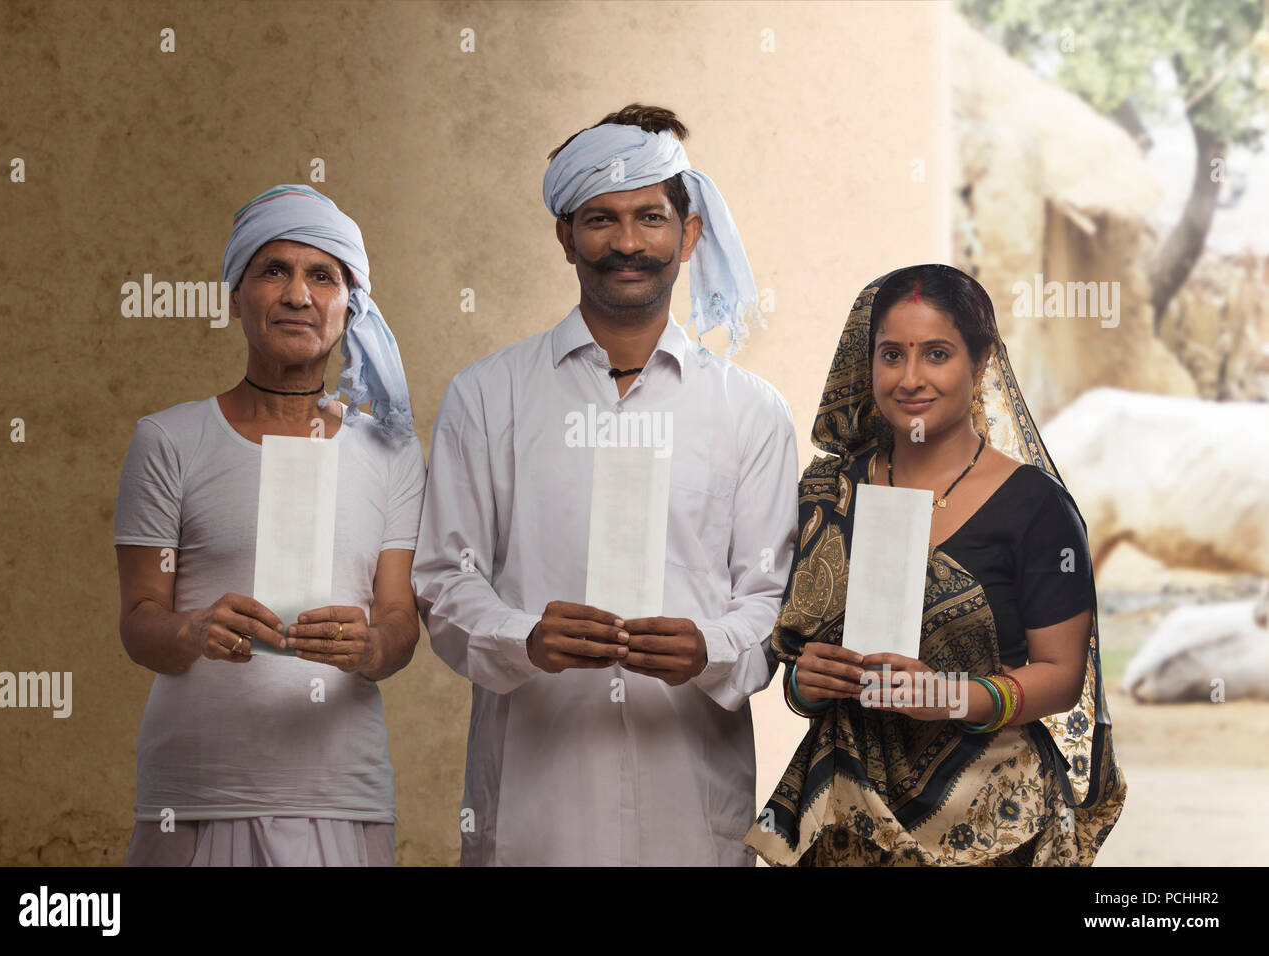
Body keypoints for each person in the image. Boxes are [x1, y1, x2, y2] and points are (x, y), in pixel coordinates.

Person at [412, 104, 798, 865]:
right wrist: (526, 637)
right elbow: (443, 585)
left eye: (651, 217)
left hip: (688, 803)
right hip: (535, 802)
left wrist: (708, 650)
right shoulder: (487, 397)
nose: (627, 243)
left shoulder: (751, 413)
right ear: (565, 236)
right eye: (600, 218)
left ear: (688, 235)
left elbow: (772, 601)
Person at [744, 264, 1126, 866]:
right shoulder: (830, 490)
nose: (910, 378)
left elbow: (1060, 674)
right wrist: (805, 682)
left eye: (937, 354)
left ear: (979, 364)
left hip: (994, 820)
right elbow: (800, 645)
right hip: (848, 818)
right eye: (891, 354)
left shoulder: (1035, 506)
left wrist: (951, 695)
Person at [114, 184, 426, 866]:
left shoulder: (391, 451)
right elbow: (140, 623)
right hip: (196, 795)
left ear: (350, 304)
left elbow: (401, 620)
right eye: (272, 270)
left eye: (322, 275)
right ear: (235, 295)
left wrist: (370, 647)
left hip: (342, 795)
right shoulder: (169, 439)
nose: (296, 295)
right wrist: (191, 631)